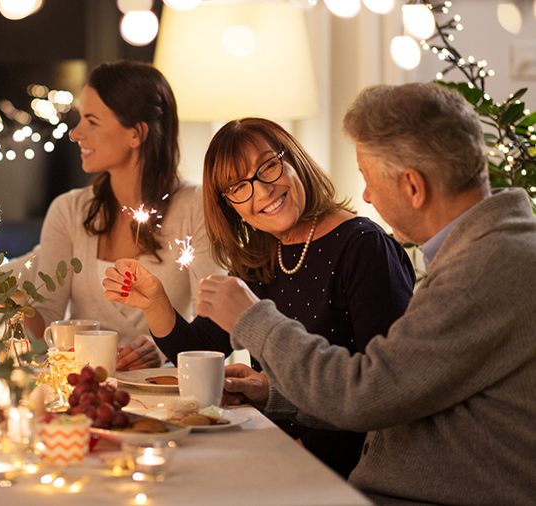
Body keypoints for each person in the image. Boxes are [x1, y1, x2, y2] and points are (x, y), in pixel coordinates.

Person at [196, 83, 536, 504]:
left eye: (369, 180)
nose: (367, 197)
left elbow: (366, 397)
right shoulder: (487, 248)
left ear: (413, 186)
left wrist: (253, 320)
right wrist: (273, 394)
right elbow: (395, 389)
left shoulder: (485, 269)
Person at [104, 117, 415, 477]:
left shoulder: (365, 248)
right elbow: (202, 350)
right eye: (239, 187)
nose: (261, 191)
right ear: (229, 206)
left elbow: (384, 395)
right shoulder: (261, 256)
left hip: (342, 468)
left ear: (294, 160)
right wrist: (155, 301)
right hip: (267, 442)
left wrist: (293, 454)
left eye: (268, 166)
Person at [28, 60, 224, 371]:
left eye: (92, 121)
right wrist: (12, 303)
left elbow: (216, 322)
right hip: (84, 388)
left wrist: (162, 348)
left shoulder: (196, 207)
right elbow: (46, 321)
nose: (76, 133)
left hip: (165, 394)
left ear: (136, 134)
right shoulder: (68, 210)